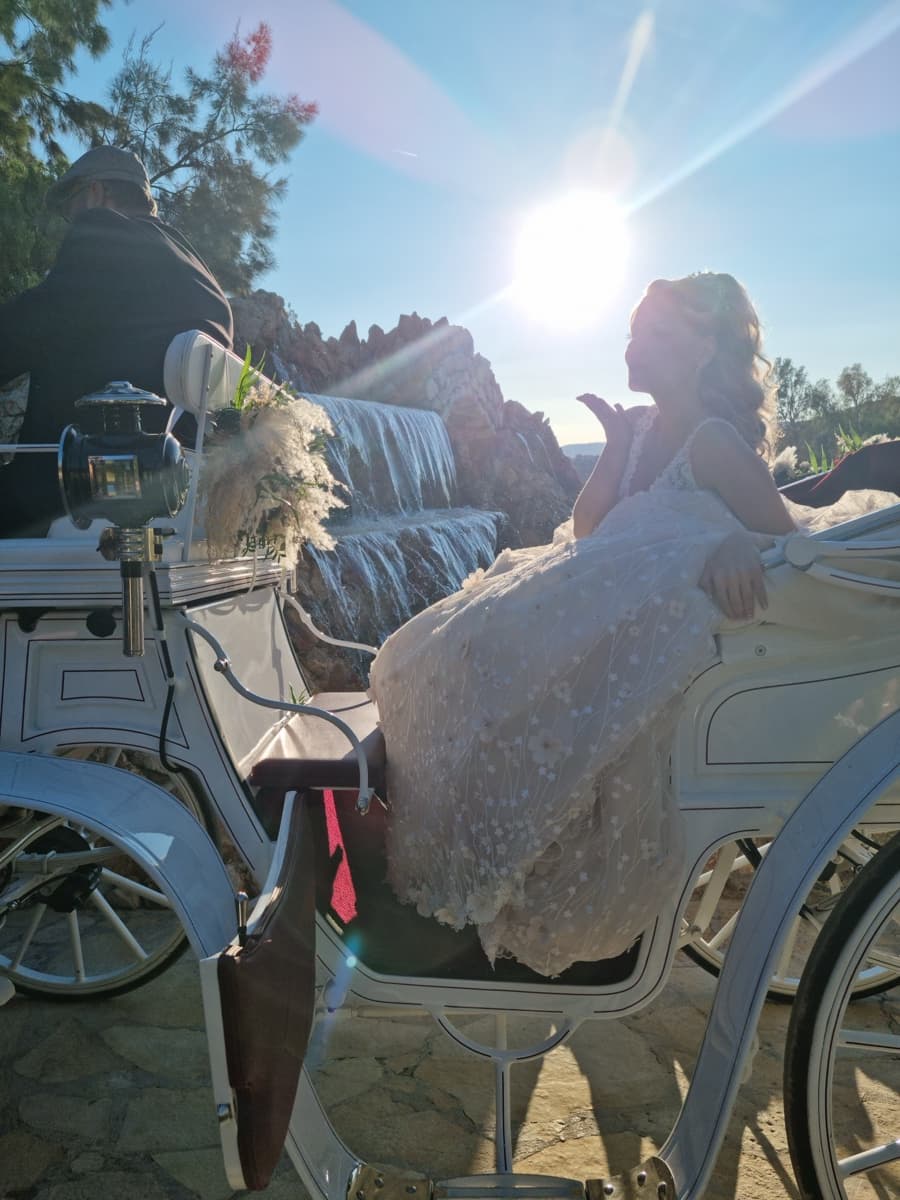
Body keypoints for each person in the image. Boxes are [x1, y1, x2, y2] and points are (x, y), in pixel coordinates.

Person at [369, 271, 800, 978]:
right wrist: (613, 442)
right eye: (635, 331)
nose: (639, 345)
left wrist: (728, 543)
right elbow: (590, 528)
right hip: (605, 584)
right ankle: (468, 843)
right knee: (455, 642)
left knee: (495, 648)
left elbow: (786, 541)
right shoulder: (641, 431)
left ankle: (498, 863)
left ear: (704, 350)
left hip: (650, 609)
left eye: (660, 334)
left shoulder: (714, 441)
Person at [0, 146, 233, 536]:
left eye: (70, 205)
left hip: (76, 490)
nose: (69, 218)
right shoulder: (199, 273)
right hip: (177, 493)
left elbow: (31, 326)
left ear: (95, 193)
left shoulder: (105, 233)